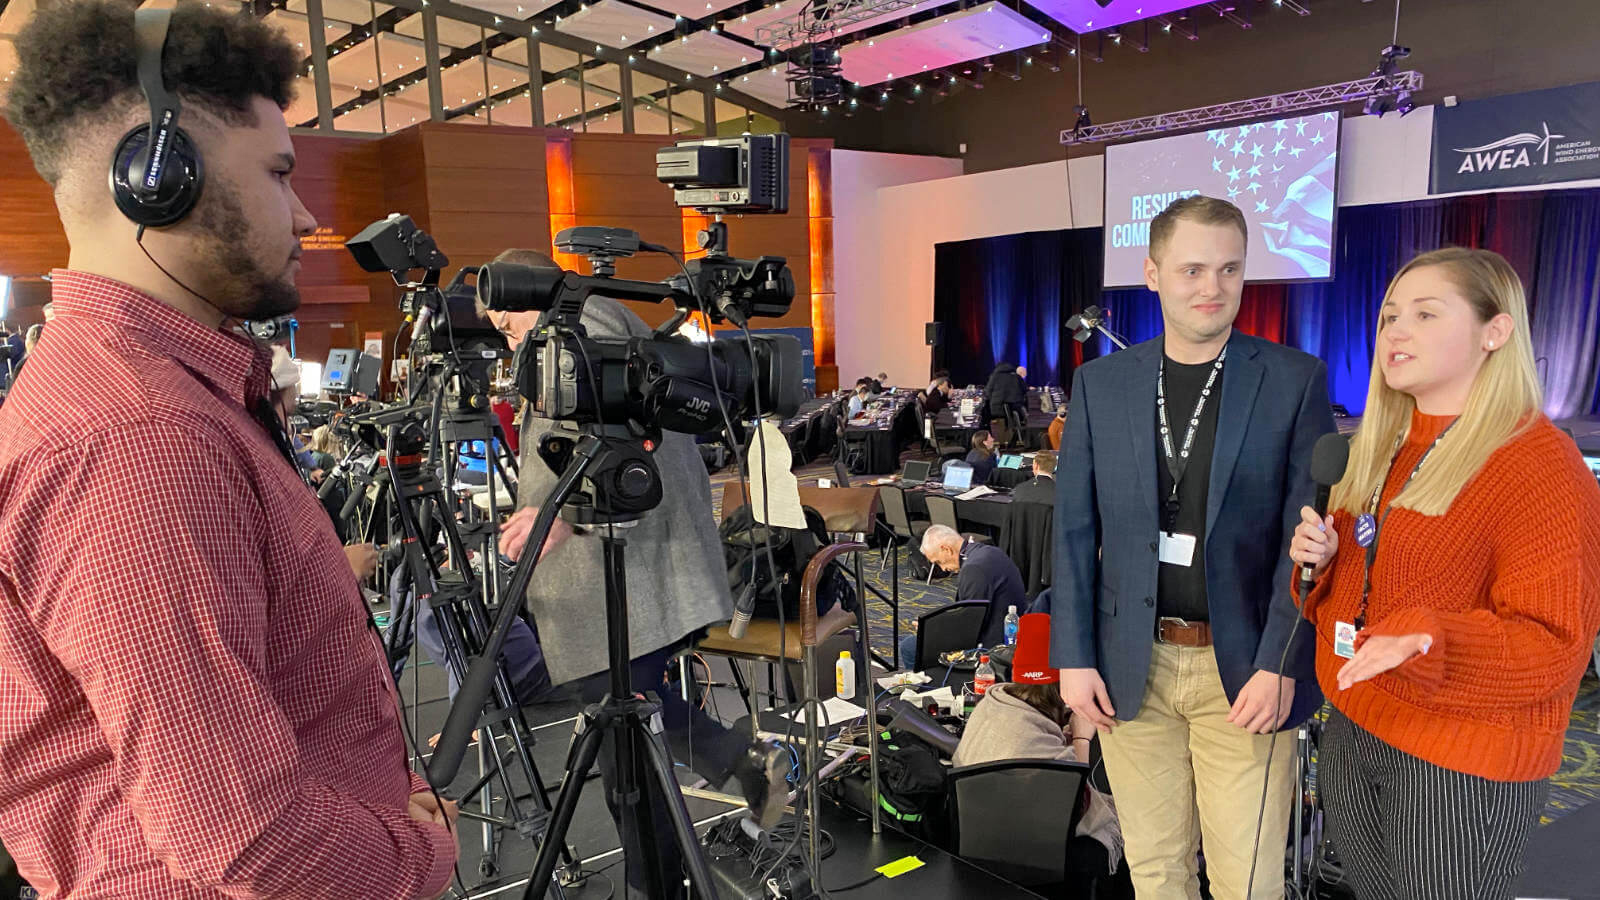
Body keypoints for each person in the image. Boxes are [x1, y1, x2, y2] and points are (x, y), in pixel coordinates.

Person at [0, 4, 457, 898]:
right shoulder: (140, 440)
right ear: (156, 173)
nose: (307, 211)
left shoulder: (159, 394)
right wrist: (420, 856)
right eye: (279, 172)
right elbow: (252, 844)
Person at [1288, 248, 1600, 900]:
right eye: (1389, 316)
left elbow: (1555, 644)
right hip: (1353, 728)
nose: (1395, 332)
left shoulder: (1539, 463)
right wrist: (1317, 570)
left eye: (1425, 314)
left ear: (1495, 331)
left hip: (1457, 762)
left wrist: (1429, 640)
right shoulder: (1377, 447)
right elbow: (1357, 590)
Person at [1053, 195, 1335, 900]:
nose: (1212, 288)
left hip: (1241, 673)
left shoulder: (1293, 380)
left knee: (1248, 883)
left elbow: (1300, 543)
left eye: (1230, 270)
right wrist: (1074, 655)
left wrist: (1281, 662)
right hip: (1129, 669)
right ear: (1152, 274)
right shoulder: (1099, 384)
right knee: (1155, 873)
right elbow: (1075, 531)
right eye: (1192, 270)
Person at [491, 248, 788, 896]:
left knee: (623, 740)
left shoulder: (585, 325)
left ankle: (667, 868)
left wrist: (558, 511)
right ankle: (731, 775)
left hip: (626, 566)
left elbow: (612, 431)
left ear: (522, 297)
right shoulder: (584, 320)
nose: (505, 340)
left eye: (506, 326)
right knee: (625, 724)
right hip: (619, 565)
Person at [954, 613, 1123, 874]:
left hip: (979, 842)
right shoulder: (1049, 762)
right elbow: (1075, 802)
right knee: (1131, 828)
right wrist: (1080, 738)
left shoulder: (991, 705)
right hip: (1031, 852)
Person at [899, 524, 1029, 664]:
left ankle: (928, 683)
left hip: (992, 646)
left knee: (910, 646)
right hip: (1009, 633)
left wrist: (931, 630)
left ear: (946, 549)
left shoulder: (973, 569)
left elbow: (969, 629)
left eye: (938, 562)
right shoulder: (989, 552)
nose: (943, 568)